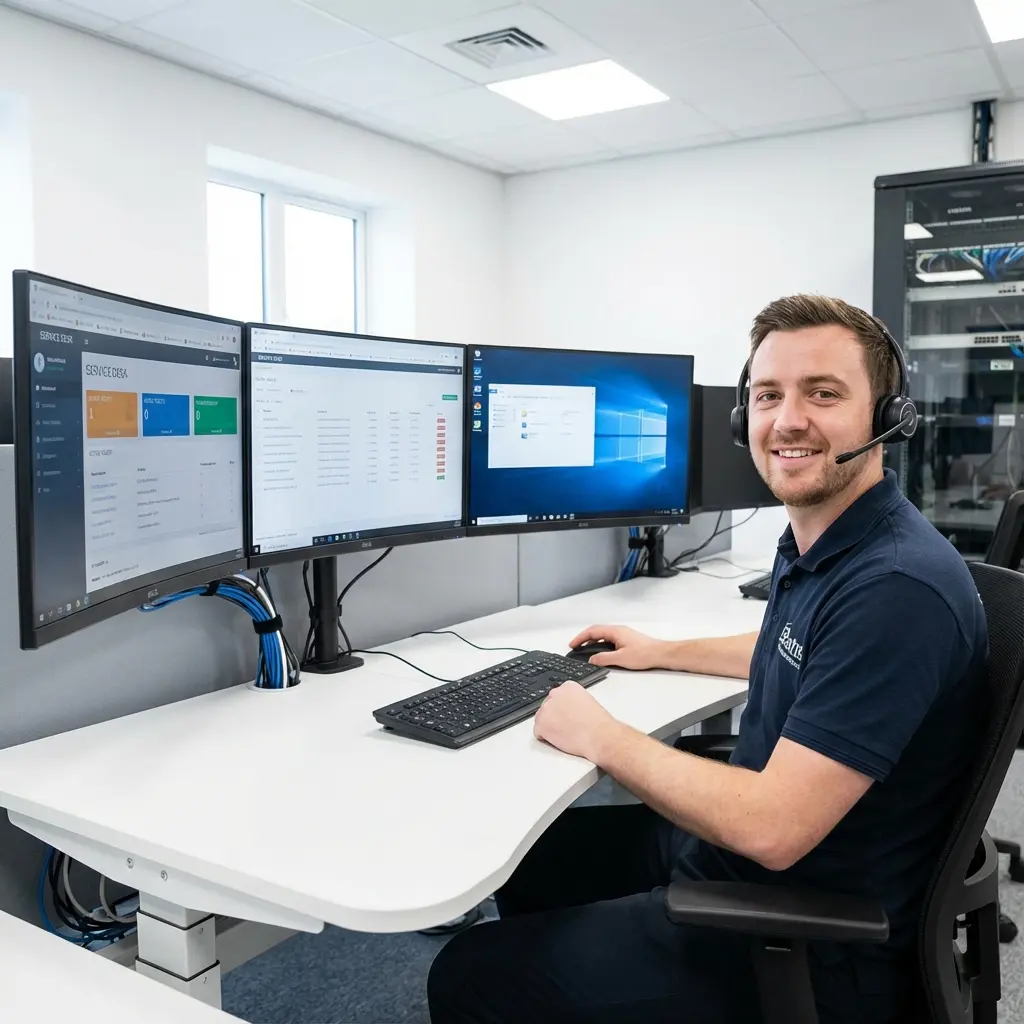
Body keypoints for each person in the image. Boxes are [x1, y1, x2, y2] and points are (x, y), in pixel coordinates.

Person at [426, 294, 990, 1024]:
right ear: (740, 419)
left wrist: (600, 734)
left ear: (886, 417)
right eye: (767, 396)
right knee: (542, 855)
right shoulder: (834, 536)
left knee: (468, 972)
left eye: (823, 393)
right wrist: (664, 652)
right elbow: (799, 648)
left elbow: (774, 829)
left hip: (809, 939)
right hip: (767, 866)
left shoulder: (894, 587)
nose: (788, 420)